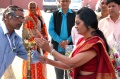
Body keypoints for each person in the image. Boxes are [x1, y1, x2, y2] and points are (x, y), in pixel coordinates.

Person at [35, 7, 116, 79]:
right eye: (75, 23)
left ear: (89, 24)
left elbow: (71, 63)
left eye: (78, 23)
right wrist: (48, 61)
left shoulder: (95, 43)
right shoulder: (82, 41)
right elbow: (68, 63)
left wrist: (50, 49)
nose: (75, 26)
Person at [48, 0, 76, 79]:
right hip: (57, 48)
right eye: (62, 1)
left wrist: (68, 41)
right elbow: (51, 30)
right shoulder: (54, 15)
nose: (64, 3)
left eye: (66, 1)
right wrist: (60, 41)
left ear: (70, 2)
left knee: (69, 73)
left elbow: (77, 30)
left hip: (71, 48)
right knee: (58, 73)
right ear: (59, 2)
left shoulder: (75, 15)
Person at [22, 1, 48, 79]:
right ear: (29, 8)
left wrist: (44, 38)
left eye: (34, 7)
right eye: (31, 7)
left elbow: (43, 29)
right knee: (31, 63)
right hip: (32, 44)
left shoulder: (40, 17)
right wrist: (37, 37)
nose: (33, 9)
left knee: (40, 61)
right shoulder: (28, 18)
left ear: (36, 7)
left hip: (40, 43)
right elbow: (28, 32)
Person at [0, 5, 28, 78]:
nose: (21, 21)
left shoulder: (16, 40)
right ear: (7, 17)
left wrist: (46, 49)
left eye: (23, 18)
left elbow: (31, 56)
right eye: (18, 17)